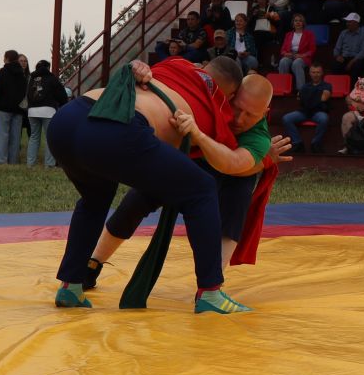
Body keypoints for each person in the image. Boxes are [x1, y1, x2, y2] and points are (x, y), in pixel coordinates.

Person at [47, 55, 250, 314]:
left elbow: (137, 68)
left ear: (202, 67)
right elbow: (227, 160)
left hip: (67, 119)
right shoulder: (217, 105)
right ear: (227, 94)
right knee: (201, 188)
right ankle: (210, 292)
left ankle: (71, 285)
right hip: (115, 131)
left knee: (95, 199)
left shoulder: (174, 65)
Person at [88, 70, 293, 283]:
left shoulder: (258, 136)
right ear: (229, 97)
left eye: (250, 115)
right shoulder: (211, 98)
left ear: (265, 112)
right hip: (188, 158)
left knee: (240, 193)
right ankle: (94, 262)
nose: (240, 119)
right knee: (139, 197)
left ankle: (214, 282)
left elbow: (234, 165)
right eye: (237, 108)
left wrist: (201, 136)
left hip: (225, 167)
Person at [25, 59, 68, 167]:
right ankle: (49, 164)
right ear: (48, 67)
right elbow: (61, 94)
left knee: (34, 137)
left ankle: (30, 163)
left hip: (32, 111)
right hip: (48, 111)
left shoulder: (31, 78)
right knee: (49, 138)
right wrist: (63, 103)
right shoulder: (51, 78)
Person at [283, 63, 331, 152]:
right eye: (313, 72)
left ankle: (316, 144)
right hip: (304, 111)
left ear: (322, 73)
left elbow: (324, 98)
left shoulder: (327, 85)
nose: (315, 75)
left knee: (324, 118)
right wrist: (316, 95)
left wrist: (307, 96)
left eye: (318, 72)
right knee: (287, 118)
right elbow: (299, 98)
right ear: (309, 73)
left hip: (318, 112)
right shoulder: (305, 86)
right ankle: (297, 143)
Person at [0, 51, 28, 165]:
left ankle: (1, 160)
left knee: (2, 134)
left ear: (7, 58)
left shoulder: (4, 71)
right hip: (18, 109)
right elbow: (24, 92)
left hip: (4, 107)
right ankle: (13, 160)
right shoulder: (22, 73)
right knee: (15, 136)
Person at [276, 13, 316, 79]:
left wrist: (301, 55)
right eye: (296, 21)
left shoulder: (309, 34)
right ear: (293, 23)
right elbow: (282, 50)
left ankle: (300, 88)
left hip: (303, 57)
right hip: (291, 56)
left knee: (297, 63)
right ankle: (283, 85)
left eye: (300, 21)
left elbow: (312, 50)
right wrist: (286, 54)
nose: (298, 23)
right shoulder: (288, 34)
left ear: (303, 23)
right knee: (283, 61)